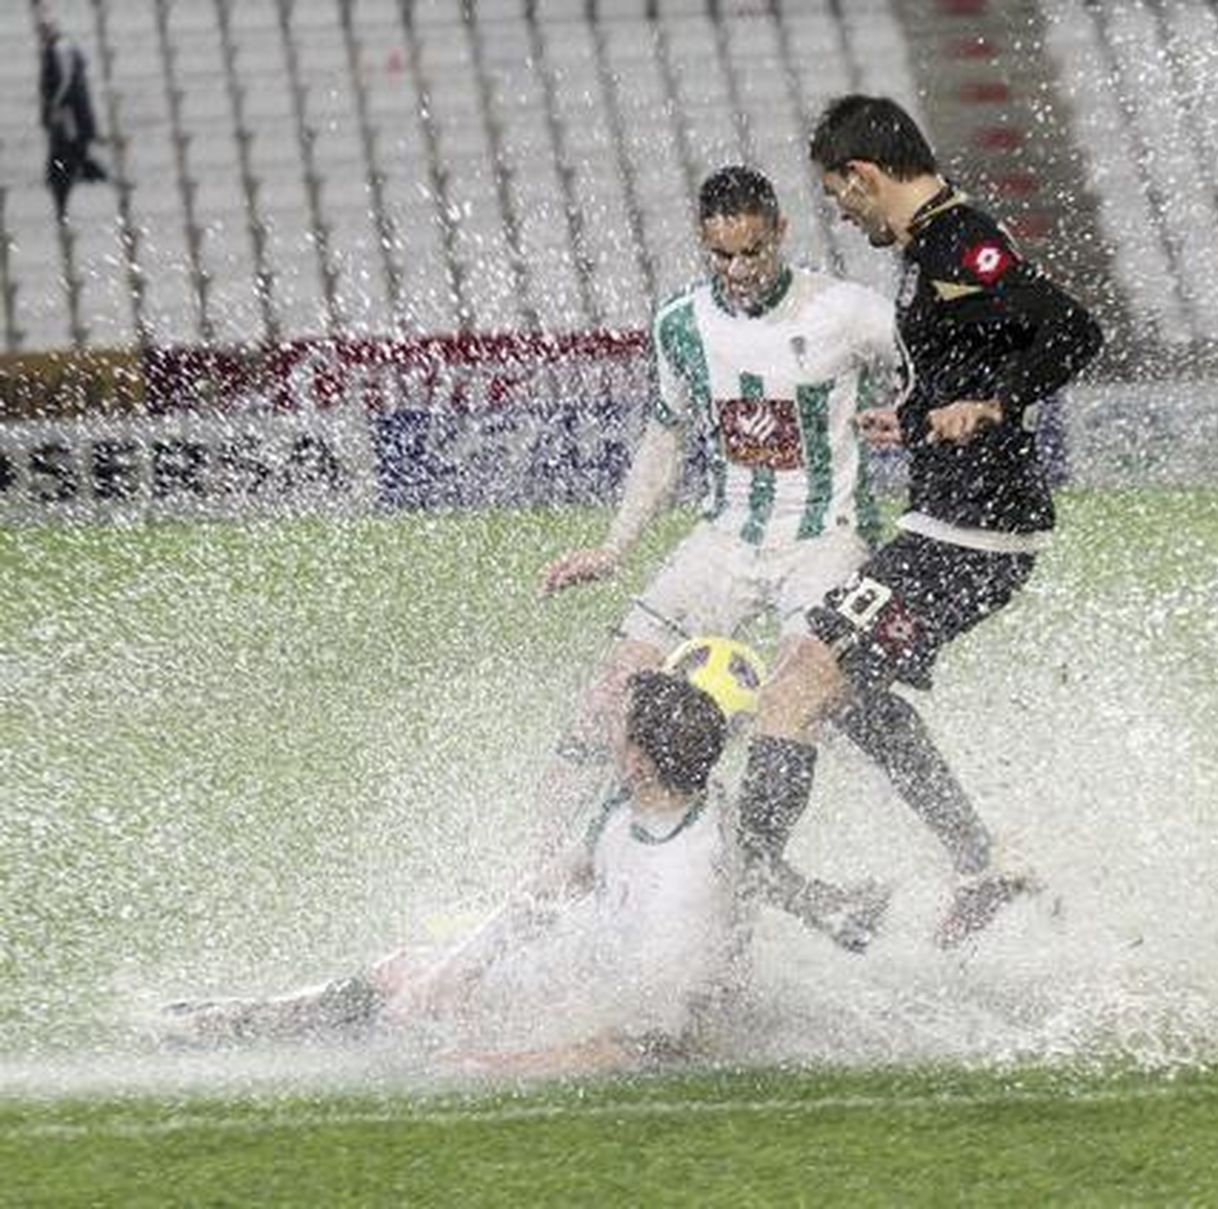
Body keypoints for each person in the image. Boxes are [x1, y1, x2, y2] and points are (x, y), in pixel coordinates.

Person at [541, 165, 1012, 952]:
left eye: (751, 252)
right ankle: (544, 875)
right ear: (704, 244)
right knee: (613, 692)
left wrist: (930, 411)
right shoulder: (679, 324)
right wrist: (615, 546)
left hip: (823, 537)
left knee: (828, 692)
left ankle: (962, 859)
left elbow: (939, 363)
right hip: (723, 538)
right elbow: (666, 435)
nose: (737, 271)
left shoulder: (847, 313)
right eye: (720, 255)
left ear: (780, 232)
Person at [731, 94, 1104, 950]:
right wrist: (920, 411)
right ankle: (984, 867)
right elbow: (982, 340)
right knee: (851, 692)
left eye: (837, 195)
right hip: (961, 525)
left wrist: (994, 404)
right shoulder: (930, 248)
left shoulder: (953, 236)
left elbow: (1074, 330)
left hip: (971, 533)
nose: (839, 210)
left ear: (862, 175)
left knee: (797, 680)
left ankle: (747, 878)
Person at [162, 670, 739, 1078]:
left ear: (639, 761)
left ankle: (245, 1028)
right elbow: (547, 891)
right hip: (580, 965)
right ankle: (251, 1020)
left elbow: (649, 1044)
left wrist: (498, 1068)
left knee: (404, 994)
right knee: (411, 976)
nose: (605, 725)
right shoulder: (644, 797)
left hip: (592, 1013)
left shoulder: (682, 889)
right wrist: (459, 967)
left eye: (620, 723)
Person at [38, 16, 110, 220]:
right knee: (69, 155)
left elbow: (65, 82)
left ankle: (73, 189)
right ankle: (66, 192)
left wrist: (54, 106)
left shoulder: (61, 49)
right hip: (70, 116)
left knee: (68, 155)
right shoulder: (54, 50)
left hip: (72, 116)